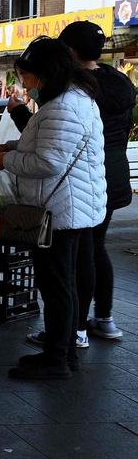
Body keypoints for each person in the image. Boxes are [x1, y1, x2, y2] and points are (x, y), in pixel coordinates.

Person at [0, 36, 106, 379]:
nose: (24, 83)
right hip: (73, 207)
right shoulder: (73, 101)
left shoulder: (64, 107)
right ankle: (62, 352)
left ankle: (56, 360)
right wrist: (8, 147)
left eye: (27, 75)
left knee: (57, 286)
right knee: (62, 284)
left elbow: (48, 161)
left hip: (62, 211)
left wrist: (5, 160)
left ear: (45, 73)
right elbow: (44, 145)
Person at [63, 22, 136, 341]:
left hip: (88, 176)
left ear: (71, 51)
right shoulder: (120, 82)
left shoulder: (75, 86)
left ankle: (77, 328)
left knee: (82, 252)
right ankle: (103, 318)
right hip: (116, 175)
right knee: (97, 247)